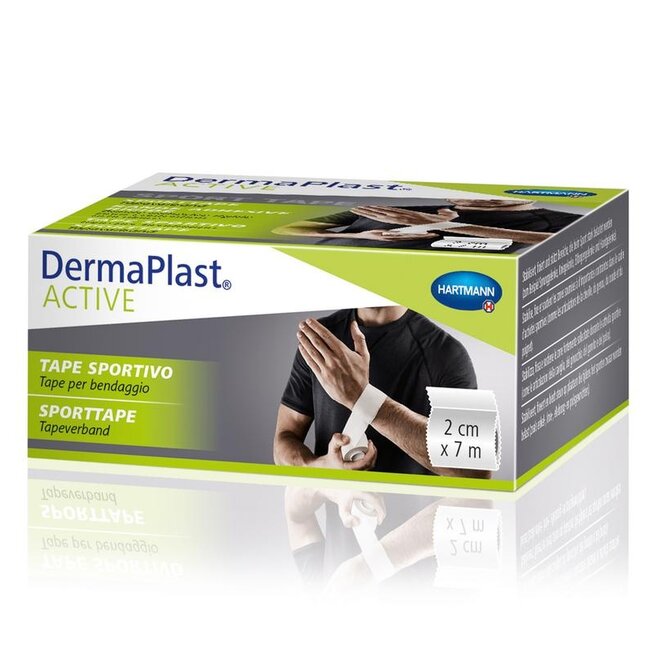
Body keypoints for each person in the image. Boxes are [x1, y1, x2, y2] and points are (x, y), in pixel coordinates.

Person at [273, 306, 489, 478]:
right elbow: (283, 441)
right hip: (337, 520)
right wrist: (321, 467)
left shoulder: (446, 354)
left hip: (417, 519)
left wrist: (364, 398)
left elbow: (476, 470)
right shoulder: (320, 343)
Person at [272, 198, 582, 250]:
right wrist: (367, 233)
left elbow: (564, 244)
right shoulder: (396, 205)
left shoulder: (552, 221)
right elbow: (283, 229)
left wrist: (447, 226)